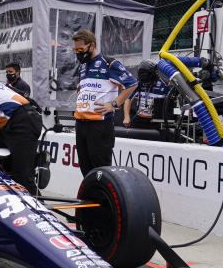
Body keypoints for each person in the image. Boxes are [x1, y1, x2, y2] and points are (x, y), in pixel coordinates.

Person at [71, 29, 137, 177]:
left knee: (101, 171)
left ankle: (103, 199)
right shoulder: (82, 66)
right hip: (81, 124)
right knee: (85, 168)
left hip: (99, 125)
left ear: (92, 46)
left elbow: (132, 84)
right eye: (75, 50)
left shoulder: (109, 63)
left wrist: (114, 104)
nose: (78, 53)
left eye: (81, 49)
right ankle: (89, 198)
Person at [123, 60, 167, 130]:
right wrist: (126, 117)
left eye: (148, 81)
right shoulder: (139, 82)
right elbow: (128, 99)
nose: (147, 83)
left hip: (157, 121)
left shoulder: (165, 84)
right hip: (140, 118)